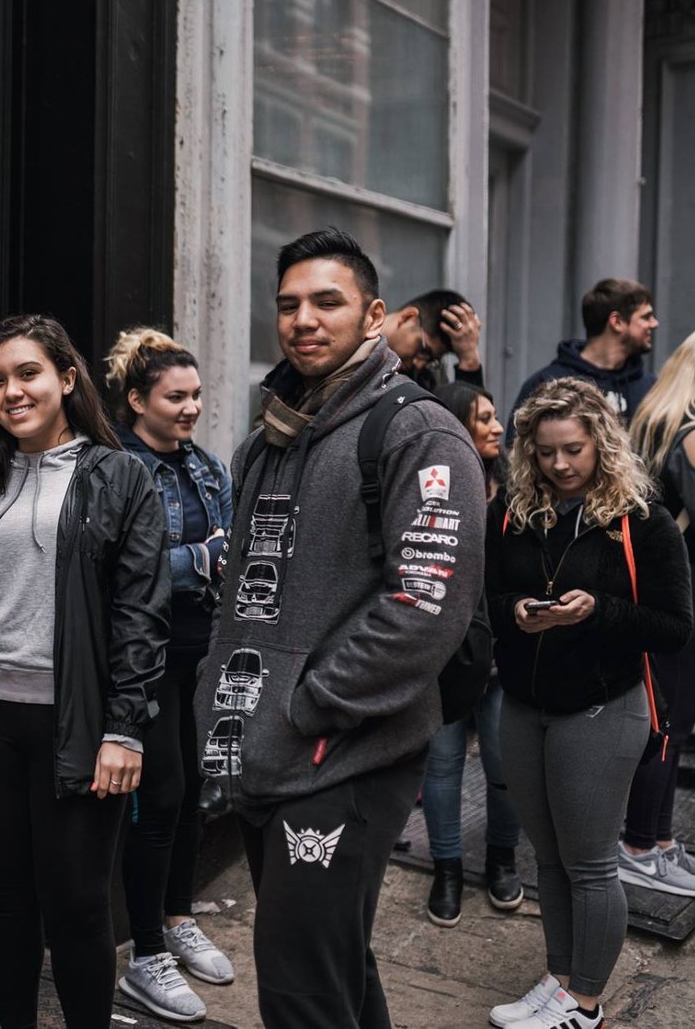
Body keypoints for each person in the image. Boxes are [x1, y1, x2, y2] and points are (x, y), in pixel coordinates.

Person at [195, 228, 484, 1029]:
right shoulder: (269, 438)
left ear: (375, 316)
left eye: (328, 301)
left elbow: (425, 606)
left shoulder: (417, 433)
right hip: (265, 753)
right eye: (288, 304)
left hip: (344, 752)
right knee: (331, 973)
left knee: (298, 988)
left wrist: (306, 702)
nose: (303, 319)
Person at [0, 314, 167, 1029]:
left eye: (27, 374)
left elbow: (142, 613)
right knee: (4, 896)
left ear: (67, 378)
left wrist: (124, 728)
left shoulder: (120, 476)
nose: (11, 391)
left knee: (77, 901)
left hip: (74, 719)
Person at [485, 377, 692, 1029]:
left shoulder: (643, 519)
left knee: (592, 862)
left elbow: (675, 626)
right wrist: (514, 609)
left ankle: (585, 1002)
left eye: (572, 449)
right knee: (545, 857)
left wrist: (596, 609)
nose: (559, 465)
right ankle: (559, 975)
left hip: (602, 709)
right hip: (522, 702)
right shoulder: (515, 510)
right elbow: (484, 595)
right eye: (545, 452)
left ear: (601, 443)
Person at [102, 328, 235, 1022]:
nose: (190, 408)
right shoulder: (116, 467)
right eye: (175, 397)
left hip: (200, 653)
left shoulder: (208, 466)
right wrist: (197, 561)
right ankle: (144, 952)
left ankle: (179, 918)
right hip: (142, 657)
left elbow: (232, 548)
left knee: (192, 799)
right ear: (135, 400)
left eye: (195, 395)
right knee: (160, 798)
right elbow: (125, 568)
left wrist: (206, 559)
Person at [619, 318, 695, 897]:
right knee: (667, 728)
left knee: (669, 726)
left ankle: (657, 843)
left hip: (673, 592)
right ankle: (639, 846)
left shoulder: (664, 420)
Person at [418, 382, 522, 928]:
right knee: (442, 765)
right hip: (443, 655)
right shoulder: (430, 488)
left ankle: (502, 861)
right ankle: (447, 870)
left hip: (506, 653)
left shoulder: (515, 492)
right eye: (484, 417)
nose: (498, 426)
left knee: (507, 766)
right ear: (457, 422)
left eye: (496, 414)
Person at [514, 278, 658, 424]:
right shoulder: (548, 384)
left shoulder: (650, 388)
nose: (654, 323)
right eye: (646, 317)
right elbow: (519, 443)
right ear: (617, 322)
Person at [380, 289, 486, 390]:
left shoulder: (421, 379)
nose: (419, 364)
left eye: (431, 360)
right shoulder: (363, 341)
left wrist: (469, 358)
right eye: (423, 351)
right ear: (408, 317)